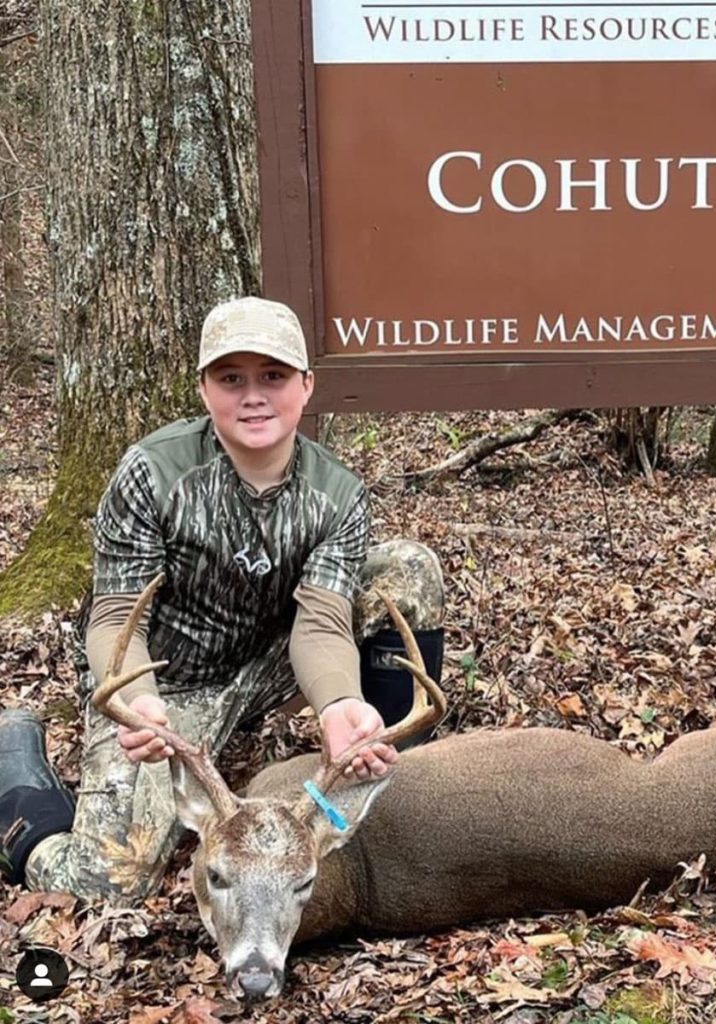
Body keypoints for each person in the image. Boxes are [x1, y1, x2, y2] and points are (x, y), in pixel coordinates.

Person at [0, 296, 444, 898]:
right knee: (107, 882)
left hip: (269, 663)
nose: (254, 395)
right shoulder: (151, 473)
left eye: (274, 376)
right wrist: (139, 699)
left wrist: (339, 703)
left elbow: (320, 622)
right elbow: (113, 615)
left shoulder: (337, 494)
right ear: (205, 389)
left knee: (406, 568)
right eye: (232, 378)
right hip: (168, 685)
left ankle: (383, 778)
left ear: (306, 386)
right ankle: (17, 785)